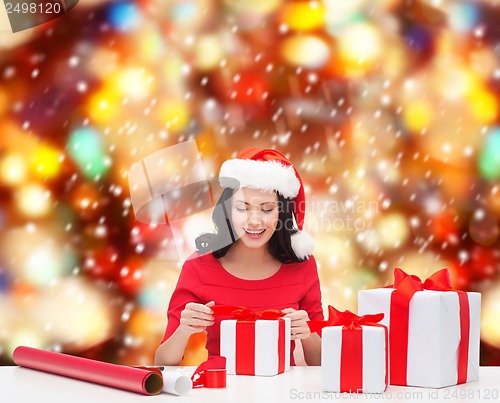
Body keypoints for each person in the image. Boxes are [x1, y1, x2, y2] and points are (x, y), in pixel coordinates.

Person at [154, 147, 323, 366]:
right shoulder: (199, 266)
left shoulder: (302, 266)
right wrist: (183, 331)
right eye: (242, 208)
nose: (254, 221)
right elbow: (161, 363)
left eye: (266, 209)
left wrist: (307, 333)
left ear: (282, 212)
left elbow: (321, 364)